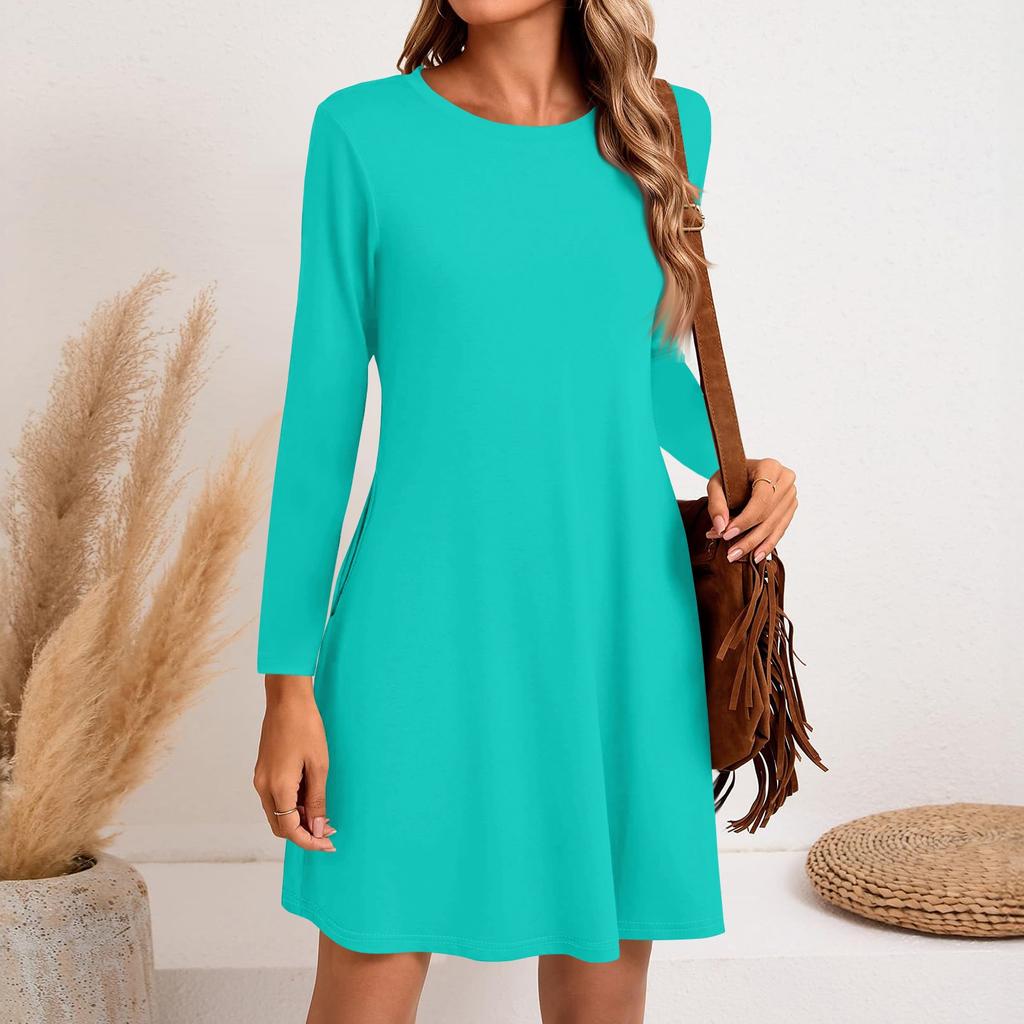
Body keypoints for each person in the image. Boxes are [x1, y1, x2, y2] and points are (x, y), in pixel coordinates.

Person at [254, 2, 798, 1021]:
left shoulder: (666, 124)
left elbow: (634, 363)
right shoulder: (363, 131)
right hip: (417, 618)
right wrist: (286, 683)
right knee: (369, 966)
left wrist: (744, 466)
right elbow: (320, 418)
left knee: (604, 981)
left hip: (615, 609)